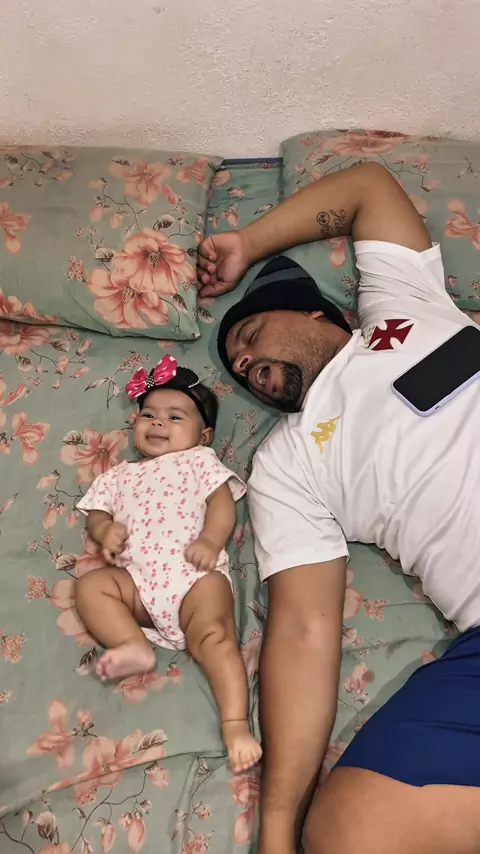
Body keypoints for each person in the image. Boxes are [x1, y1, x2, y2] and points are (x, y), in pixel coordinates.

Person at [196, 161, 480, 854]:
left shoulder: (404, 309)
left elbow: (367, 188)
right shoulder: (287, 464)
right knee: (346, 833)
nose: (246, 365)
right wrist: (276, 829)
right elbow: (303, 633)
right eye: (239, 370)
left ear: (315, 313)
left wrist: (247, 243)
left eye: (250, 336)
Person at [75, 355, 262, 774]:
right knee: (91, 586)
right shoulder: (119, 475)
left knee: (216, 637)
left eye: (175, 417)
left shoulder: (199, 461)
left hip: (195, 576)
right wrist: (104, 531)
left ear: (203, 435)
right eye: (148, 415)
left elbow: (221, 504)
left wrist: (211, 541)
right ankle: (133, 645)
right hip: (138, 583)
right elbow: (97, 514)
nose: (158, 422)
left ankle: (235, 724)